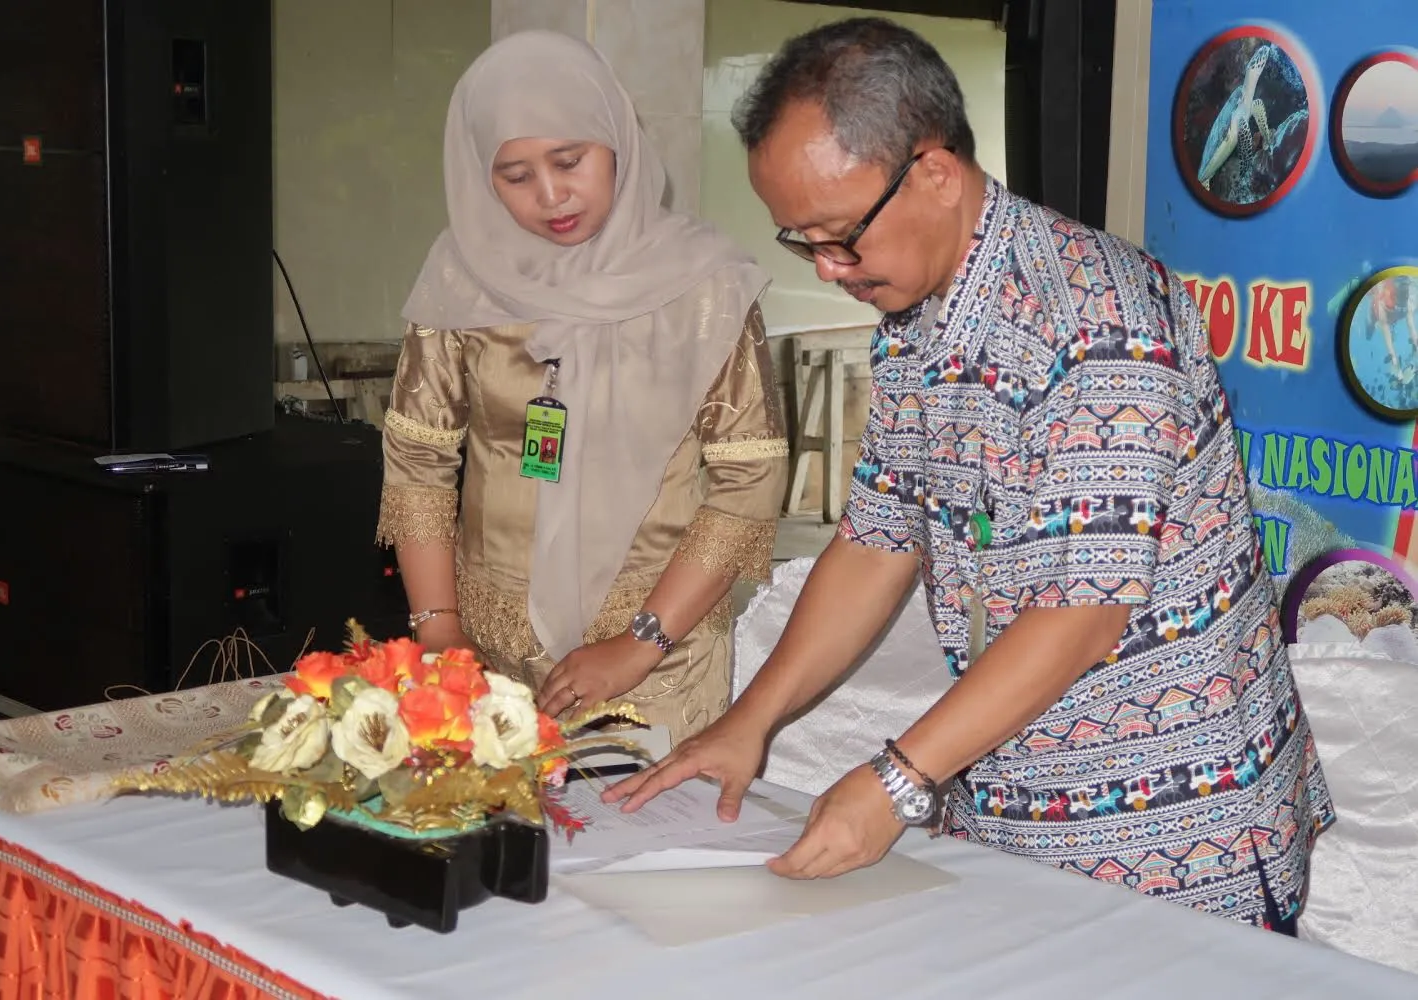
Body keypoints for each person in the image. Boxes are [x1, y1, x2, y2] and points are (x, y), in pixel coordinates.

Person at [607, 17, 1334, 932]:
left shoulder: (1096, 321)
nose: (827, 270)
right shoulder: (917, 321)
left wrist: (896, 780)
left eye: (840, 237)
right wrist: (749, 722)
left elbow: (1082, 611)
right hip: (1016, 808)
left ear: (936, 175)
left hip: (1176, 834)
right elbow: (874, 542)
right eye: (802, 242)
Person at [376, 31, 787, 745]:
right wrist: (439, 630)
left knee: (643, 817)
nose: (551, 195)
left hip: (658, 659)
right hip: (485, 652)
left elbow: (748, 478)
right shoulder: (463, 278)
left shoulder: (703, 287)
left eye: (570, 161)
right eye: (515, 175)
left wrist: (640, 642)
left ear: (617, 143)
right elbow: (418, 459)